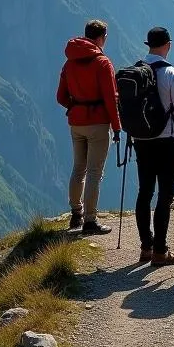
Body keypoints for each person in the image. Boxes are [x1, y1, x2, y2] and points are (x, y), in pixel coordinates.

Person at [130, 27, 174, 266]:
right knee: (164, 196)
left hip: (141, 140)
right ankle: (160, 250)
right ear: (168, 45)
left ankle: (146, 248)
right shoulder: (172, 74)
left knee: (144, 192)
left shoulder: (136, 70)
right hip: (167, 142)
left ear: (148, 44)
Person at [56, 19, 121, 235]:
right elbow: (111, 98)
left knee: (78, 168)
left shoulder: (69, 62)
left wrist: (76, 107)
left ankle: (76, 213)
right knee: (94, 172)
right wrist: (117, 126)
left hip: (76, 122)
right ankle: (90, 222)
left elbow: (61, 97)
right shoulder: (103, 63)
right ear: (102, 37)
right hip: (98, 123)